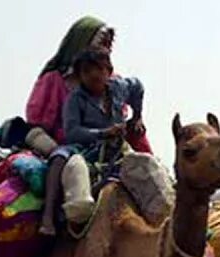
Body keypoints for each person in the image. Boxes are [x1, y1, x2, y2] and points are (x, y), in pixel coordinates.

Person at [38, 49, 144, 237]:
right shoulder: (75, 100)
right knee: (59, 160)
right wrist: (103, 133)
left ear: (108, 70)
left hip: (117, 149)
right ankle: (48, 217)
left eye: (98, 69)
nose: (94, 75)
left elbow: (138, 87)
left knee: (147, 167)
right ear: (80, 77)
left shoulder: (119, 87)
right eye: (87, 71)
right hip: (85, 148)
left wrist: (137, 117)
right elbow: (72, 132)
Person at [26, 17, 150, 153]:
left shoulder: (115, 83)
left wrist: (137, 117)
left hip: (113, 144)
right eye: (100, 43)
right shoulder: (54, 81)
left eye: (107, 45)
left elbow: (136, 88)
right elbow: (42, 122)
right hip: (69, 145)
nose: (104, 50)